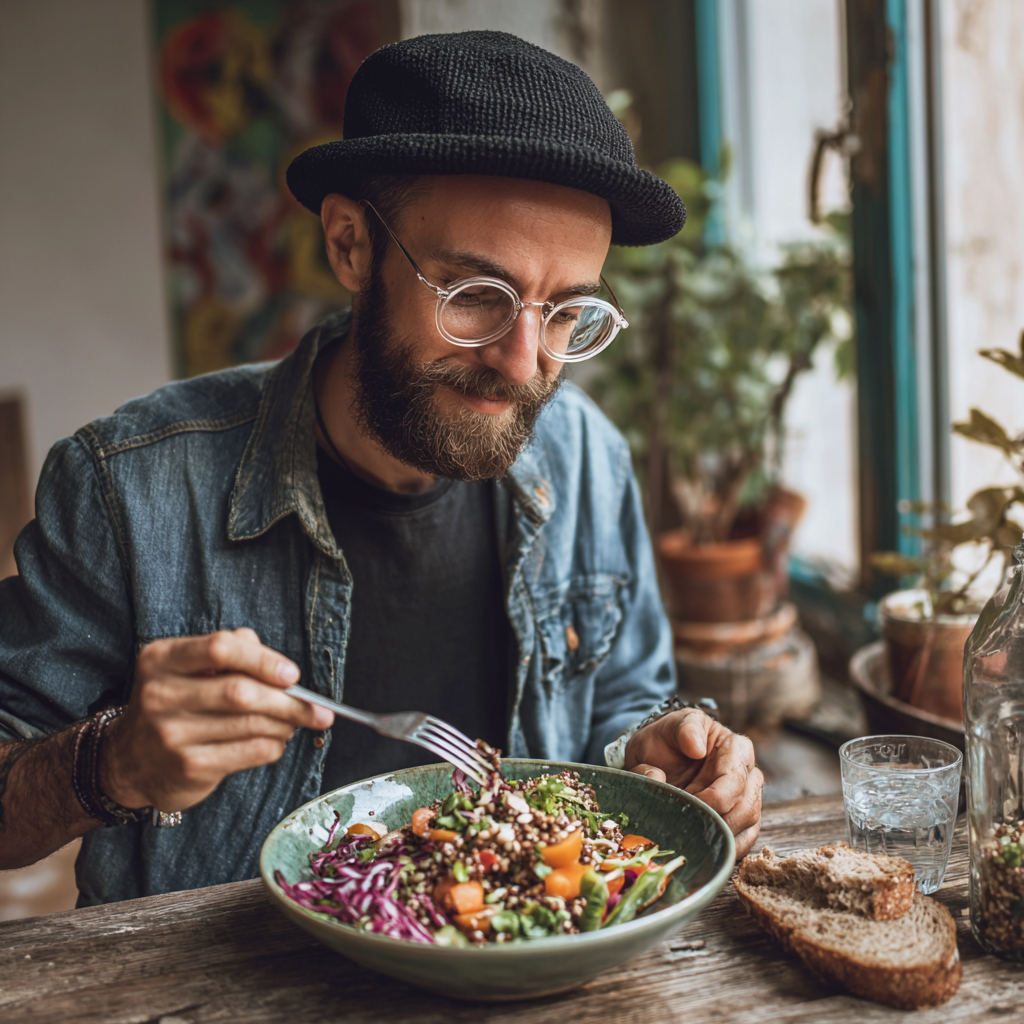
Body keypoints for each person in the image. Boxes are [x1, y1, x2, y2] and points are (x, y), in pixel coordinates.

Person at [0, 31, 762, 904]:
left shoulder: (588, 456)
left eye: (567, 313)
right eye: (477, 297)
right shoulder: (125, 488)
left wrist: (657, 751)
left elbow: (628, 698)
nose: (522, 366)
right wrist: (110, 762)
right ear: (351, 245)